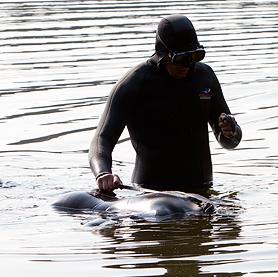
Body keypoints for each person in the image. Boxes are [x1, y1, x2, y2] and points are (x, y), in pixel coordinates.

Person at [89, 15, 241, 194]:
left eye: (194, 56)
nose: (188, 64)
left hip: (203, 193)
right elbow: (102, 139)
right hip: (152, 196)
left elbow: (229, 141)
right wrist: (103, 173)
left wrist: (232, 131)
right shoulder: (135, 84)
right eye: (180, 58)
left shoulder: (204, 76)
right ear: (162, 54)